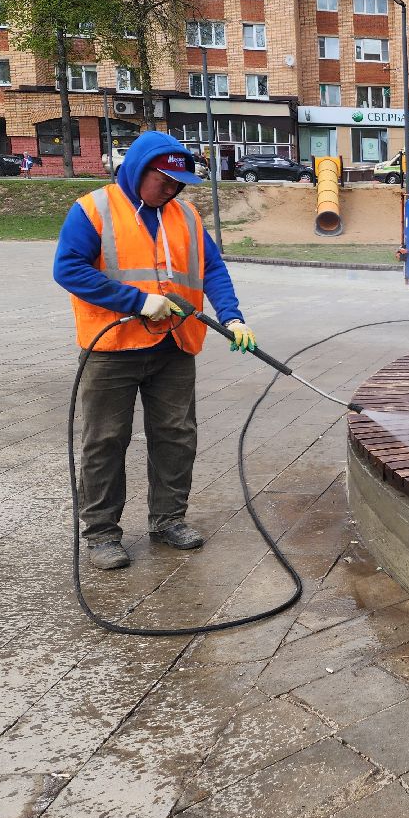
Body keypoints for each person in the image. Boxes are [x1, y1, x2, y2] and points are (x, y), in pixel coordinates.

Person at [53, 131, 257, 571]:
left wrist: (233, 316)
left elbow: (212, 269)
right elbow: (68, 269)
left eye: (179, 183)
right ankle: (102, 533)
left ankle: (168, 520)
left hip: (175, 344)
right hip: (112, 346)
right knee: (105, 439)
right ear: (137, 169)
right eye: (164, 180)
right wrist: (137, 300)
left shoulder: (184, 216)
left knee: (177, 435)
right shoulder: (94, 209)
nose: (173, 189)